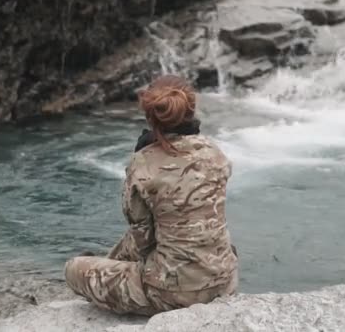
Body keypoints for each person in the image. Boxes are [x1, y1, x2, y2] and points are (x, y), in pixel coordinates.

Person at [64, 74, 238, 316]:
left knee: (73, 268)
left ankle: (102, 267)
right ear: (191, 110)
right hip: (224, 280)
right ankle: (110, 263)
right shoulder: (215, 154)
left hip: (171, 294)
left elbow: (143, 239)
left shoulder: (142, 163)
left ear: (150, 115)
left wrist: (145, 151)